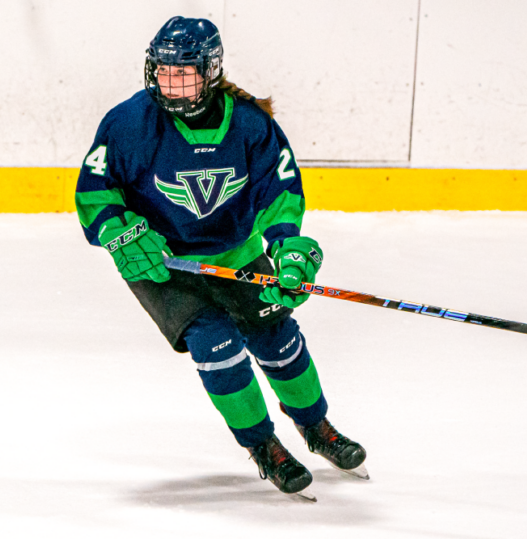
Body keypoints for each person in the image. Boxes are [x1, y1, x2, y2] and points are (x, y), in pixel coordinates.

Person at [74, 16, 367, 497]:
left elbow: (279, 189)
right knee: (218, 349)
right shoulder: (127, 124)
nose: (171, 83)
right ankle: (263, 446)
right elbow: (94, 190)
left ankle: (316, 426)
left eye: (183, 72)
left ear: (210, 71)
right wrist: (117, 232)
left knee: (277, 338)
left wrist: (287, 245)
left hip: (237, 253)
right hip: (162, 266)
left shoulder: (250, 124)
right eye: (163, 71)